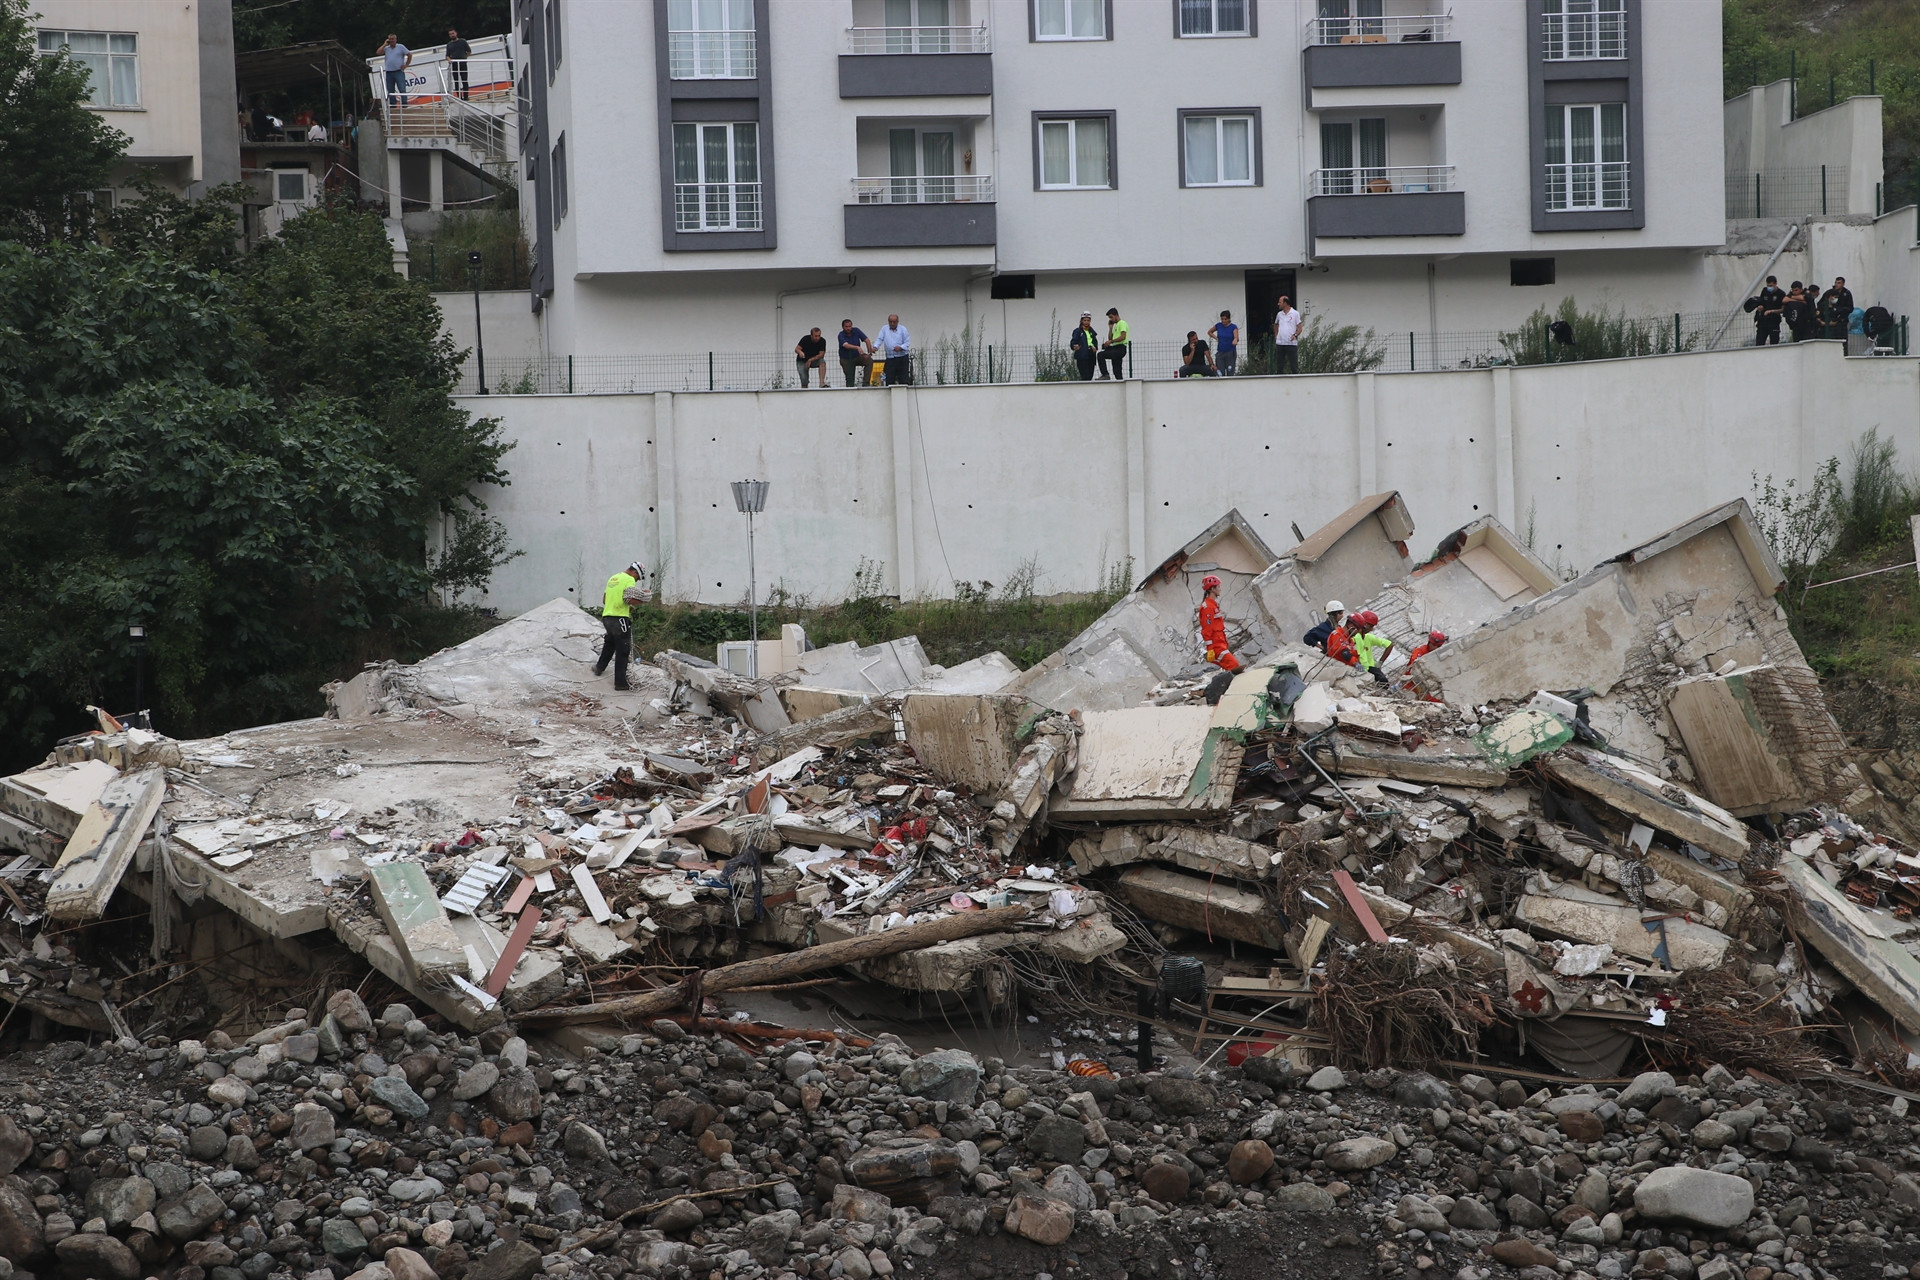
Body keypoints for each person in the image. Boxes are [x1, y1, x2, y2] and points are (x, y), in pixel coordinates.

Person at [593, 562, 646, 691]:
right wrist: (643, 600)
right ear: (635, 573)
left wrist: (624, 605)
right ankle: (620, 683)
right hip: (620, 619)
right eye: (637, 578)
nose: (636, 580)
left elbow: (605, 600)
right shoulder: (629, 579)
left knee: (610, 643)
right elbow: (629, 598)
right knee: (623, 650)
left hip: (607, 617)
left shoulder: (613, 578)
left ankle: (599, 668)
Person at [1196, 575, 1241, 673]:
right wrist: (1211, 649)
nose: (1220, 589)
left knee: (1230, 669)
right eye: (1218, 587)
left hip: (1220, 642)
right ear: (1212, 589)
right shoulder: (1207, 607)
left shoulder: (1212, 605)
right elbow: (1207, 629)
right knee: (1234, 666)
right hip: (1216, 645)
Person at [1349, 609, 1392, 683]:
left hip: (1369, 668)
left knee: (1383, 681)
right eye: (1371, 626)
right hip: (1360, 668)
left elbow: (1390, 645)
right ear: (1365, 624)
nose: (1371, 629)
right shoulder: (1355, 637)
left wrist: (1380, 662)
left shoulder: (1368, 637)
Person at [876, 314, 912, 385]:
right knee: (889, 379)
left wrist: (901, 347)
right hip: (890, 358)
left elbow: (907, 342)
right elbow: (879, 339)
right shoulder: (884, 329)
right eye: (890, 322)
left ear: (897, 322)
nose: (892, 324)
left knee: (903, 379)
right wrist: (875, 347)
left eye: (894, 322)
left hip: (902, 358)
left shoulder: (903, 329)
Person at [379, 35, 412, 108]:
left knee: (402, 88)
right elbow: (378, 52)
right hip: (389, 72)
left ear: (396, 39)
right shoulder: (386, 48)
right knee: (390, 90)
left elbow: (409, 55)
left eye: (392, 39)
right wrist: (384, 44)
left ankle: (404, 104)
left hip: (398, 71)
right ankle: (393, 105)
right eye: (390, 39)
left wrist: (406, 65)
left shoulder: (401, 47)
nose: (391, 41)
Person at [836, 319, 872, 387]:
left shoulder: (856, 330)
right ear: (843, 327)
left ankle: (866, 383)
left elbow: (867, 340)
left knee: (869, 361)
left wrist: (869, 353)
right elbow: (845, 345)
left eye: (850, 326)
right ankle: (850, 388)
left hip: (857, 356)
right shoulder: (841, 335)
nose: (848, 328)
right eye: (846, 327)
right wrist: (857, 347)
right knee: (849, 378)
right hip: (845, 359)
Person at [1097, 307, 1130, 379]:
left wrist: (1111, 341)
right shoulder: (1116, 325)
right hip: (1115, 348)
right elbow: (1110, 338)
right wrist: (1110, 328)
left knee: (1100, 355)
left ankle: (1105, 374)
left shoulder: (1122, 323)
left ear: (1116, 315)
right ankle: (1120, 381)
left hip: (1120, 348)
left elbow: (1123, 336)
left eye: (1111, 317)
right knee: (1116, 370)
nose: (1111, 319)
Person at [1273, 296, 1302, 374]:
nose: (1278, 304)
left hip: (1291, 343)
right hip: (1280, 343)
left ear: (1285, 303)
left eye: (1280, 302)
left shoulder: (1295, 313)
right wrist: (1276, 335)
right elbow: (1275, 324)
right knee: (1279, 366)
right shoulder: (1279, 314)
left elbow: (1299, 328)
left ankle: (1296, 380)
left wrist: (1295, 335)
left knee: (1293, 365)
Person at [1755, 275, 1785, 346]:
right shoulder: (1765, 291)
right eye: (1768, 285)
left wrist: (1771, 311)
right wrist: (1760, 307)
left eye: (1771, 285)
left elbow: (1783, 309)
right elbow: (1761, 302)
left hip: (1774, 321)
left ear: (1775, 284)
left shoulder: (1781, 294)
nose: (1769, 287)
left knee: (1774, 344)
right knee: (1759, 343)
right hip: (1763, 321)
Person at [1069, 311, 1099, 381]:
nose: (1086, 322)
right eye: (1084, 320)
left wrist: (1095, 347)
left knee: (1090, 376)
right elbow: (1073, 341)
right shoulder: (1078, 331)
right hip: (1082, 356)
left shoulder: (1092, 332)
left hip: (1091, 356)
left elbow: (1095, 342)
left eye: (1088, 320)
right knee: (1084, 376)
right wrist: (1074, 346)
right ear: (1081, 321)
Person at [445, 28, 472, 100]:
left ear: (456, 33)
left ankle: (466, 97)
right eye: (450, 34)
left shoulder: (463, 41)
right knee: (456, 82)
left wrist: (464, 57)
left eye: (453, 33)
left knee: (464, 81)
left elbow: (469, 51)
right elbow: (447, 56)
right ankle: (460, 98)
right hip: (454, 65)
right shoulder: (449, 45)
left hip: (462, 64)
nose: (452, 35)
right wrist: (449, 60)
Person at [1210, 311, 1239, 376]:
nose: (1223, 321)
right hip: (1220, 352)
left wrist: (1235, 340)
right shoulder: (1218, 325)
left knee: (1230, 371)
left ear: (1229, 319)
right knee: (1220, 372)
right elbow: (1210, 332)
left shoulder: (1233, 327)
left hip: (1230, 352)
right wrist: (1216, 338)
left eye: (1225, 319)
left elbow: (1236, 337)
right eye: (1222, 319)